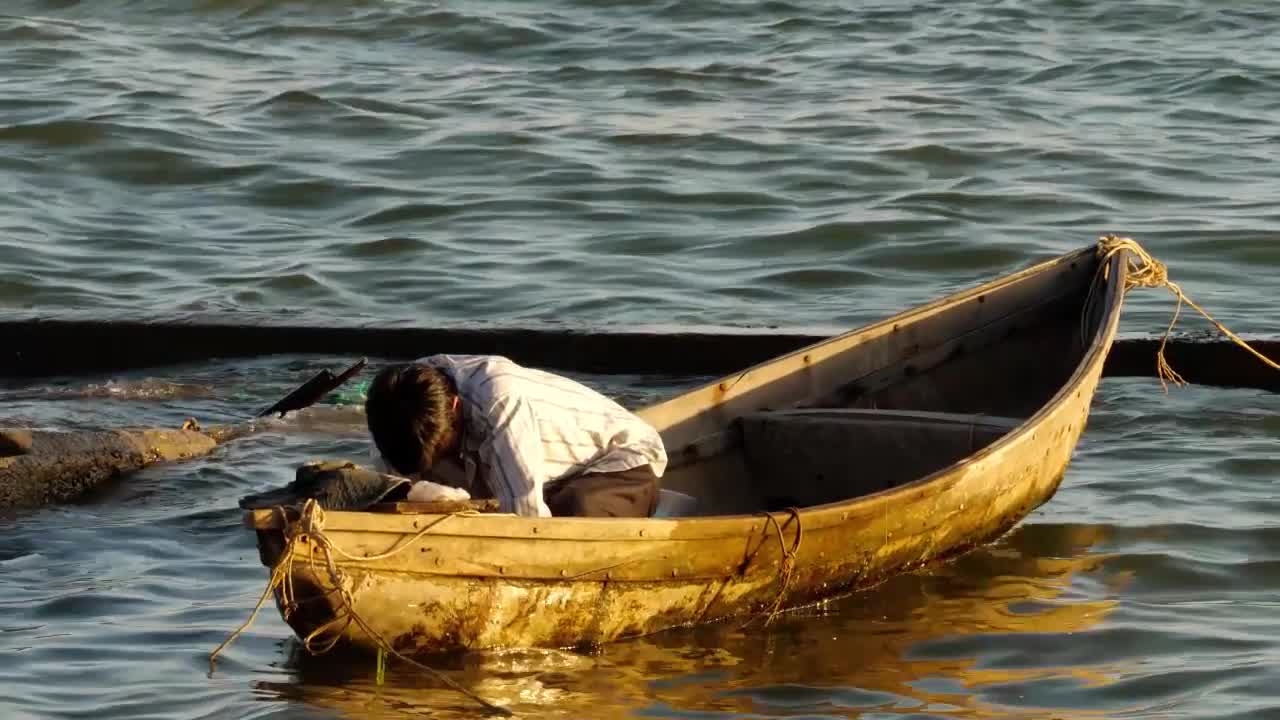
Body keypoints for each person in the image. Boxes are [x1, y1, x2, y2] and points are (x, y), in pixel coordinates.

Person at [363, 354, 667, 518]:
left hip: (621, 462)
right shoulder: (394, 404)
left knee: (572, 517)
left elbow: (528, 519)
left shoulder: (499, 400)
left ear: (455, 406)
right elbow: (392, 485)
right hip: (543, 477)